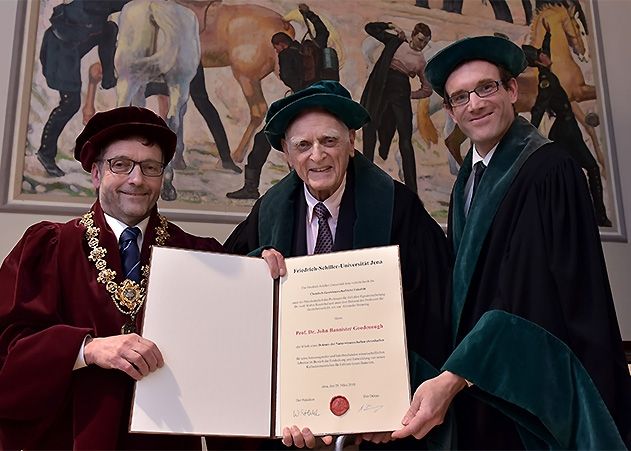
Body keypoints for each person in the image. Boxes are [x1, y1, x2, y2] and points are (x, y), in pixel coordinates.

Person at [389, 35, 631, 449]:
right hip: (484, 385)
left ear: (512, 90)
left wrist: (454, 376)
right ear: (450, 110)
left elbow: (531, 288)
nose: (476, 104)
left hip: (536, 389)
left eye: (486, 88)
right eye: (460, 97)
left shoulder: (550, 169)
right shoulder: (468, 177)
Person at [0, 106, 281, 449]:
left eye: (151, 167)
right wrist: (85, 348)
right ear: (96, 174)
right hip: (72, 438)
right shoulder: (48, 248)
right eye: (121, 164)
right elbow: (8, 350)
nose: (137, 179)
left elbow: (230, 362)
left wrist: (261, 280)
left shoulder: (200, 257)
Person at [225, 80, 451, 449]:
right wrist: (255, 269)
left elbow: (436, 313)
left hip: (382, 427)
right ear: (285, 151)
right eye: (303, 145)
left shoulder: (399, 209)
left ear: (352, 140)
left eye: (329, 141)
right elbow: (227, 287)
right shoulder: (268, 213)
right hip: (294, 424)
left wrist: (395, 401)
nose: (317, 156)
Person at [227, 3, 334, 200]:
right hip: (320, 106)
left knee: (263, 140)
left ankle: (251, 187)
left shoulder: (286, 55)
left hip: (296, 106)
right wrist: (309, 14)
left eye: (276, 48)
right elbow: (322, 31)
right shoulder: (316, 48)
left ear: (280, 45)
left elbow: (289, 80)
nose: (276, 51)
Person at [522, 31, 611, 227]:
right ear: (539, 61)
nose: (546, 54)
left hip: (566, 127)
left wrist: (548, 33)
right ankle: (600, 216)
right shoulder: (547, 80)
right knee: (592, 168)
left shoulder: (548, 74)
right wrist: (531, 132)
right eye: (542, 53)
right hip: (566, 130)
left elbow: (545, 47)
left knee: (565, 173)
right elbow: (539, 107)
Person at [36, 0, 128, 177]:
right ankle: (45, 153)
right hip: (60, 50)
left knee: (109, 29)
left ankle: (108, 78)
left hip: (73, 44)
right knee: (70, 104)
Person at [360, 21, 433, 195]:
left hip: (401, 92)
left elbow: (427, 89)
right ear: (413, 35)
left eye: (425, 42)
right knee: (370, 128)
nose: (421, 45)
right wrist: (390, 26)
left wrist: (410, 95)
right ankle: (364, 177)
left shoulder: (421, 61)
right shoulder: (396, 42)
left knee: (405, 140)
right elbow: (369, 28)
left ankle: (412, 189)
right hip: (382, 86)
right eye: (420, 39)